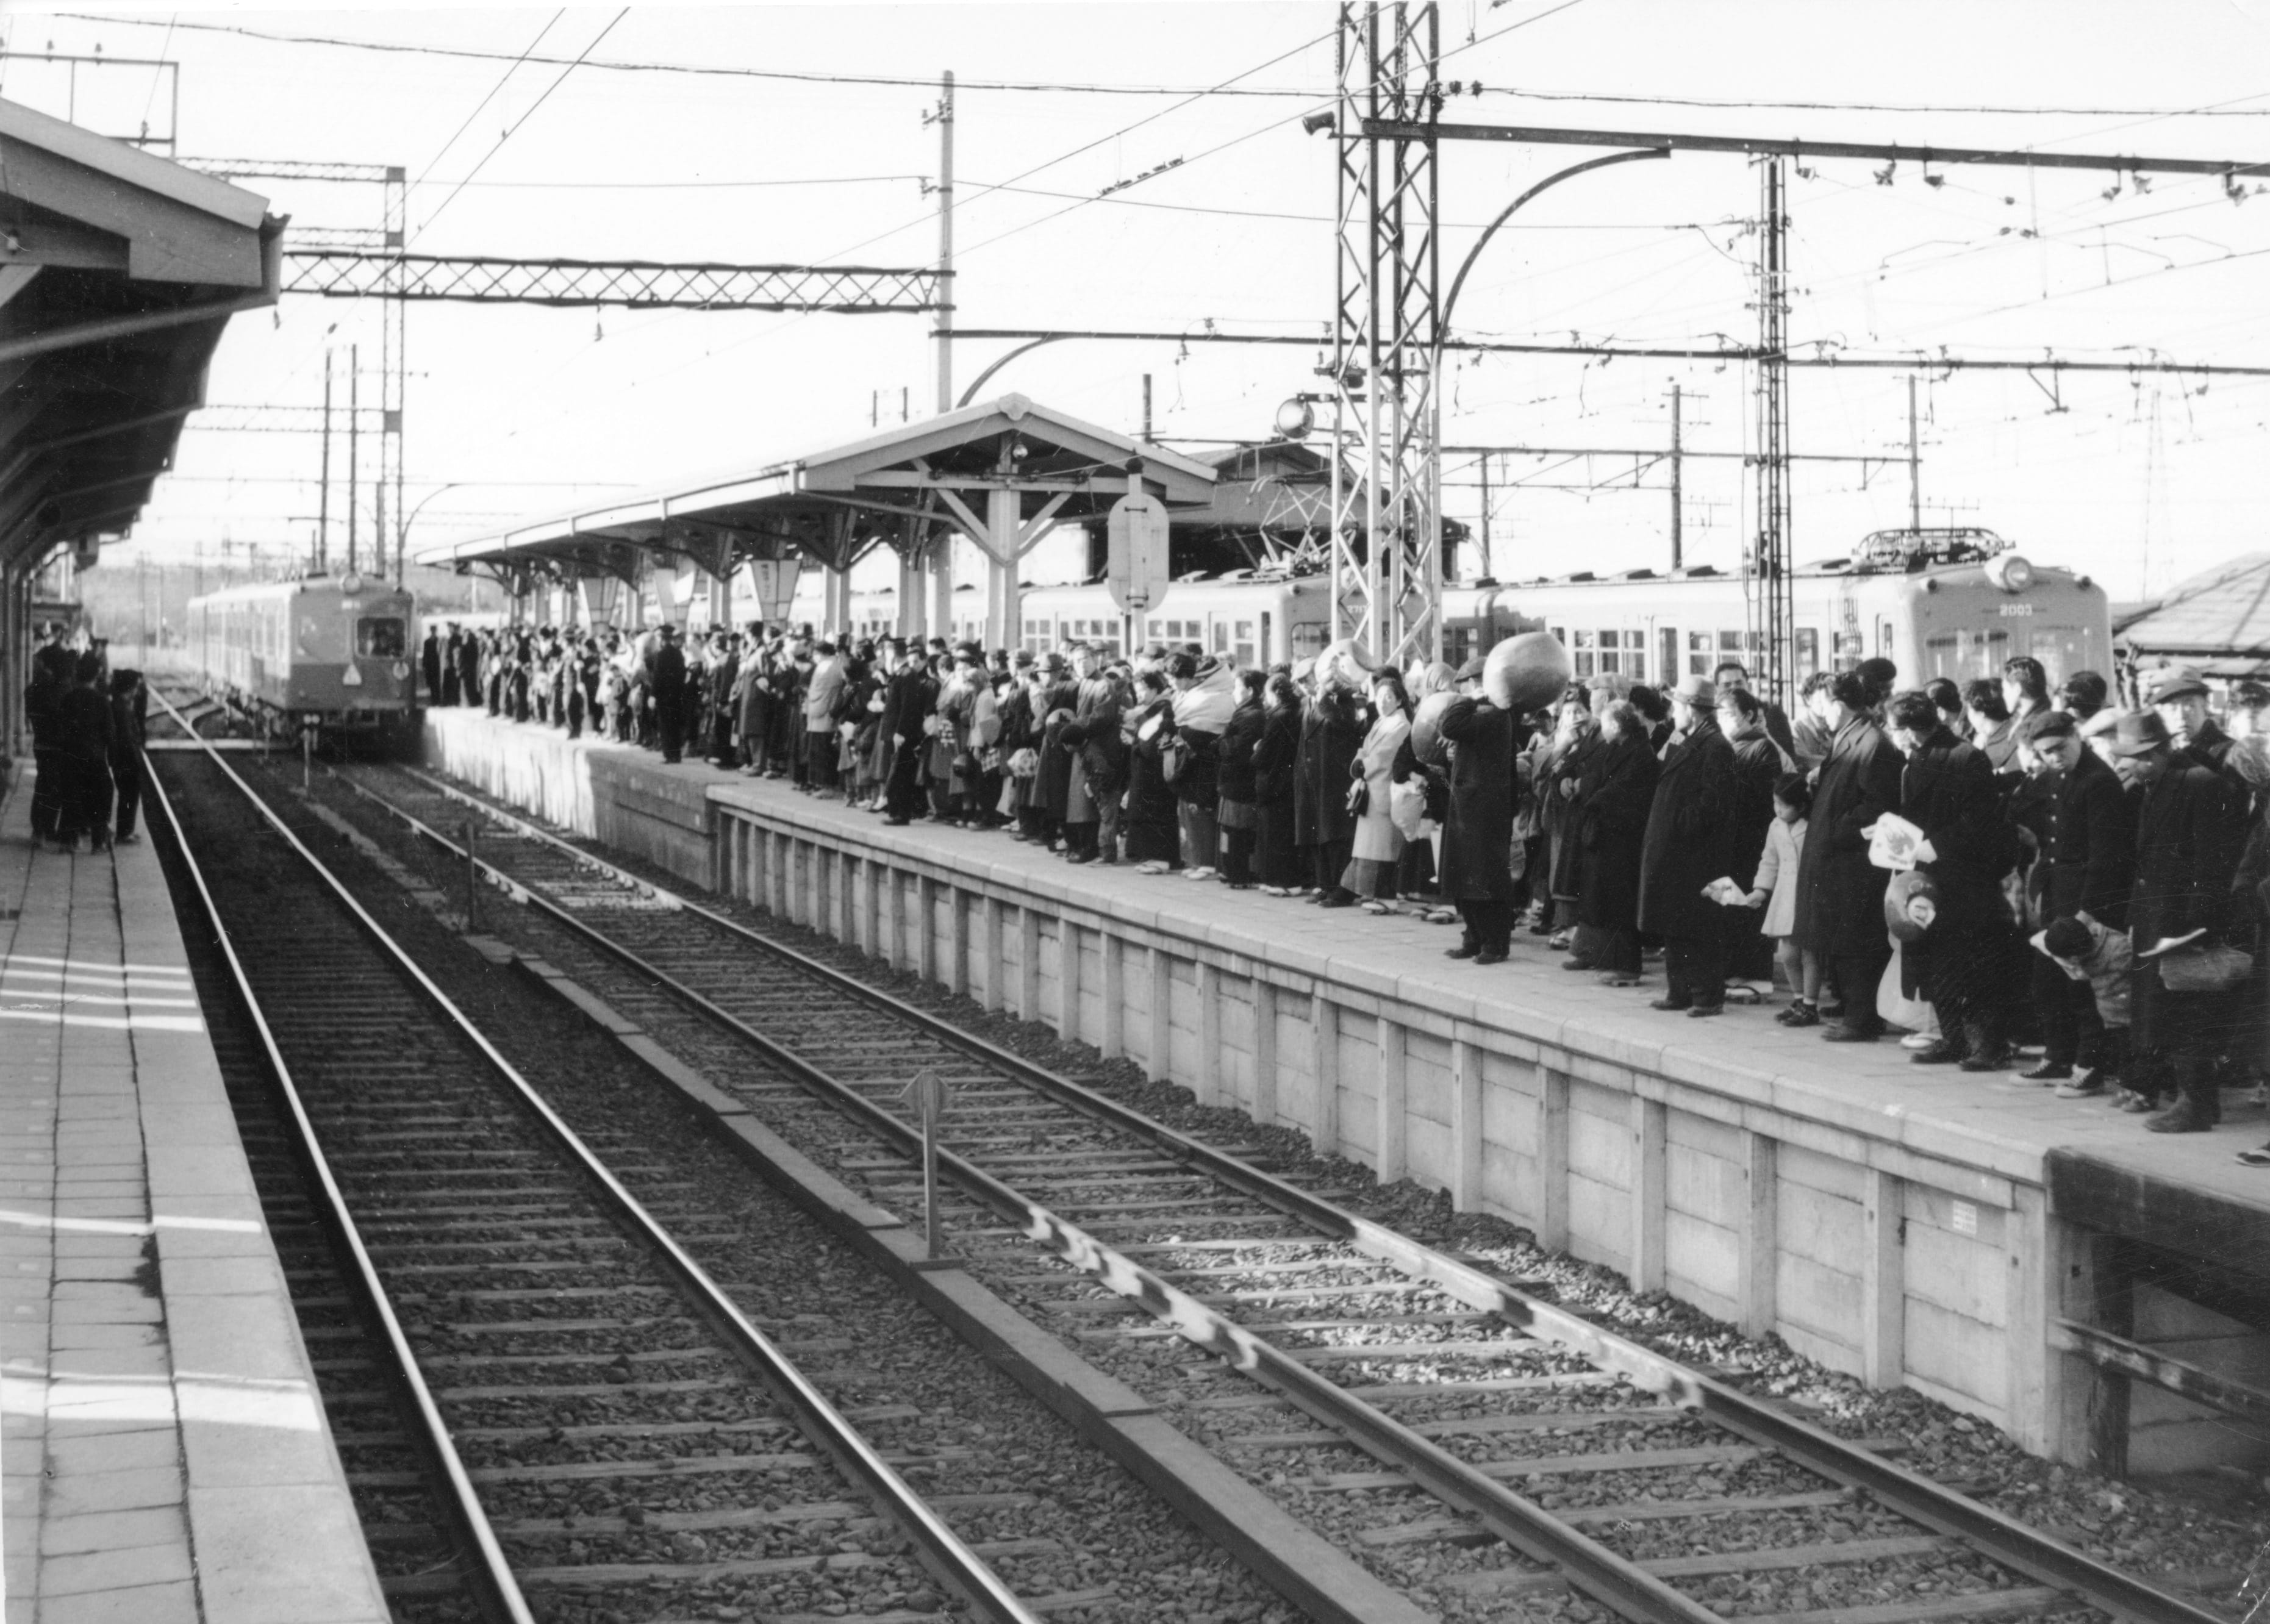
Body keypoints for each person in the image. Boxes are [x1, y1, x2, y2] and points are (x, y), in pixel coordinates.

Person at [2111, 710, 2247, 1131]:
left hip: (2183, 923)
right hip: (2158, 918)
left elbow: (2214, 864)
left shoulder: (2200, 784)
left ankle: (2198, 1105)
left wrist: (2197, 928)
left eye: (2130, 758)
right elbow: (2146, 861)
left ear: (2153, 755)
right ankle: (2188, 1098)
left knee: (2189, 1012)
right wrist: (2137, 916)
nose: (2123, 766)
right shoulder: (2160, 783)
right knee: (2167, 1011)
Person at [1886, 688, 2016, 1069]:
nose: (1892, 735)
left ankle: (1988, 1046)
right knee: (1935, 961)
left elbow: (1981, 821)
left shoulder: (1965, 757)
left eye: (1895, 728)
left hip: (1963, 879)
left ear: (1910, 729)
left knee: (1972, 964)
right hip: (1926, 877)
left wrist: (1936, 845)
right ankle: (1953, 1037)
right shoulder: (1917, 758)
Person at [2016, 709, 2135, 1091]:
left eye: (2059, 747)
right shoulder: (2054, 776)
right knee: (2047, 980)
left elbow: (2107, 855)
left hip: (2087, 899)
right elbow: (2021, 811)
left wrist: (2088, 913)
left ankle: (2090, 1064)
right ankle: (2057, 1055)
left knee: (2083, 985)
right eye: (2044, 752)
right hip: (2056, 895)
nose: (2054, 757)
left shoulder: (2098, 781)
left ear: (2076, 735)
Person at [1795, 668, 1906, 1042]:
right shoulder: (1853, 736)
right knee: (1842, 940)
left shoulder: (1871, 742)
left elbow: (1877, 804)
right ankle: (1854, 1014)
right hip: (1837, 859)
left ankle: (1862, 1020)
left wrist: (1839, 829)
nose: (1821, 713)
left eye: (1824, 705)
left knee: (1857, 942)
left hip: (1853, 862)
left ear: (1839, 705)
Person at [1638, 674, 1738, 1017]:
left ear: (1692, 710)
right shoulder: (1690, 739)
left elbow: (1711, 803)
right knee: (1676, 924)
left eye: (1677, 706)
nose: (1672, 712)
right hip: (1678, 851)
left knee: (1700, 927)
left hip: (1695, 854)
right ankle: (1679, 990)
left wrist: (1679, 827)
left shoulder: (1715, 746)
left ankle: (1708, 995)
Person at [1436, 659, 1521, 964]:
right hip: (1470, 806)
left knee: (1486, 878)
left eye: (1464, 684)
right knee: (1467, 876)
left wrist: (1467, 701)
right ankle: (1473, 937)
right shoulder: (1487, 714)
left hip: (1483, 808)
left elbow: (1450, 725)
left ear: (1477, 682)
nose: (1460, 690)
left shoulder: (1493, 713)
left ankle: (1495, 944)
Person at [1573, 698, 1657, 985]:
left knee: (1621, 900)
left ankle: (1627, 966)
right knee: (1607, 900)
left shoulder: (1640, 753)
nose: (1602, 728)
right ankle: (1608, 959)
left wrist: (1595, 799)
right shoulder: (1616, 748)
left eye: (1606, 723)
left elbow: (1625, 792)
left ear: (1618, 725)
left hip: (1622, 838)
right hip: (1606, 835)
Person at [1327, 671, 1411, 910]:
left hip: (1383, 790)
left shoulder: (1402, 725)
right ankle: (1377, 894)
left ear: (1399, 700)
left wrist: (1363, 764)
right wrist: (1361, 762)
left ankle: (1387, 897)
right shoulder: (1380, 722)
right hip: (1372, 790)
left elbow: (1384, 756)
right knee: (1372, 847)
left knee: (1383, 847)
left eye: (1389, 697)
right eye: (1380, 696)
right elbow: (1364, 751)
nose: (1383, 701)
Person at [1746, 773, 1818, 1023]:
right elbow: (1770, 860)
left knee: (1809, 953)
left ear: (1801, 806)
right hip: (1785, 894)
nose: (1778, 809)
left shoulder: (1813, 826)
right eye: (1775, 803)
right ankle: (1798, 999)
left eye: (1784, 805)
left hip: (1808, 893)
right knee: (1788, 954)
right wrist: (1760, 890)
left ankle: (1810, 1005)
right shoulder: (1775, 826)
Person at [54, 651, 116, 852]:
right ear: (96, 676)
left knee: (71, 798)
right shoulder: (102, 701)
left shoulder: (68, 699)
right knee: (101, 798)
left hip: (70, 757)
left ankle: (68, 842)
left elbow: (60, 729)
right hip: (95, 758)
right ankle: (98, 843)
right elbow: (109, 734)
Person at [1251, 673, 1303, 893]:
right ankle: (1287, 881)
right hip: (1290, 782)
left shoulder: (1277, 717)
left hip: (1273, 782)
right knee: (1285, 833)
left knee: (1274, 834)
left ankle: (1282, 882)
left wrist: (1256, 750)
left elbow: (1265, 753)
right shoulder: (1297, 712)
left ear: (1275, 694)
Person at [1216, 669, 1267, 889]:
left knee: (1237, 830)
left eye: (1237, 687)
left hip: (1240, 782)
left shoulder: (1253, 715)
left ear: (1250, 690)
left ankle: (1238, 874)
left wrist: (1223, 740)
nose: (1234, 692)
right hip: (1234, 783)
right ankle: (1231, 871)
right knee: (1231, 829)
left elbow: (1237, 749)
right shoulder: (1245, 712)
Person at [107, 669, 148, 845]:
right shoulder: (122, 708)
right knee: (129, 794)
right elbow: (127, 738)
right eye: (136, 687)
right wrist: (137, 760)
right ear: (129, 688)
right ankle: (125, 833)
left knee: (127, 794)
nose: (138, 691)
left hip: (122, 759)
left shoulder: (119, 704)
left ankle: (126, 831)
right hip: (127, 760)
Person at [651, 625, 688, 764]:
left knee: (665, 725)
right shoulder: (679, 654)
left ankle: (668, 755)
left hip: (663, 696)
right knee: (675, 725)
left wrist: (653, 695)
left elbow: (657, 677)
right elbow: (683, 674)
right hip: (677, 695)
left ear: (662, 640)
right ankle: (677, 755)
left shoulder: (660, 655)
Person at [421, 625, 443, 707]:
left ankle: (437, 700)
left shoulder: (438, 641)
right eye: (433, 630)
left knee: (437, 683)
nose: (433, 632)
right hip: (430, 665)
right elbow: (425, 654)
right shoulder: (427, 642)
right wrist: (424, 665)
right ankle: (434, 701)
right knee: (431, 683)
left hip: (437, 665)